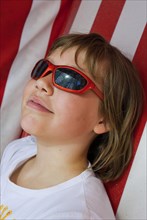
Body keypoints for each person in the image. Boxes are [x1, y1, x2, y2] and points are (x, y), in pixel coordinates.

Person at [0, 33, 143, 220]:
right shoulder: (18, 150)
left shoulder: (74, 213)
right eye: (43, 69)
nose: (42, 82)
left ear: (105, 119)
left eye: (69, 78)